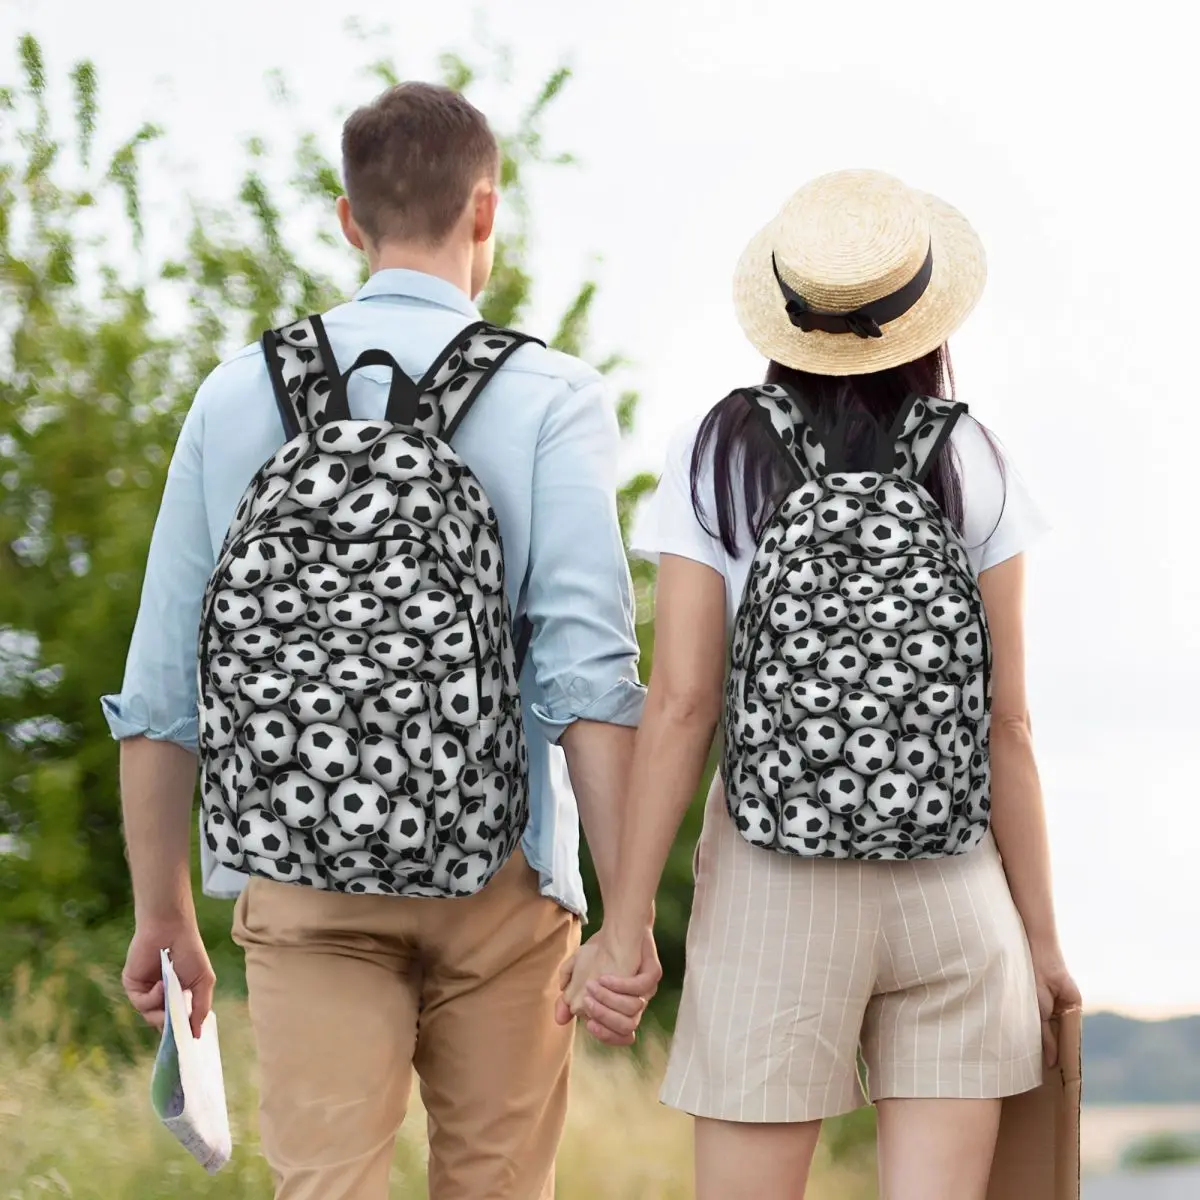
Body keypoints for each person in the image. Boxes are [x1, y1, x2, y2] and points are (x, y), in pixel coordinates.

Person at [105, 81, 661, 1200]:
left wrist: (162, 910)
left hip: (301, 872)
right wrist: (628, 915)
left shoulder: (235, 395)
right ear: (486, 213)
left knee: (325, 1185)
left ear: (348, 219)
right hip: (503, 876)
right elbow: (588, 679)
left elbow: (164, 684)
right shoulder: (550, 395)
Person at [560, 169, 1081, 1200]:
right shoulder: (974, 456)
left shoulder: (719, 450)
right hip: (954, 888)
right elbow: (1007, 723)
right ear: (925, 316)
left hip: (773, 886)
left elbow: (681, 705)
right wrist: (1043, 942)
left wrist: (624, 927)